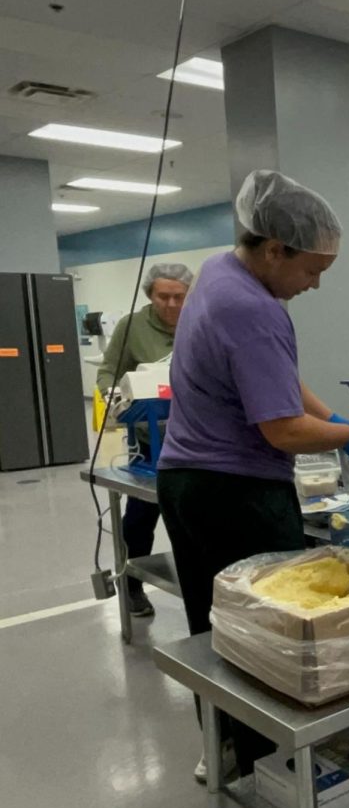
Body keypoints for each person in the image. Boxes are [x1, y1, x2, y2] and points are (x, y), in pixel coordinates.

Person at [156, 170, 349, 779]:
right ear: (275, 249)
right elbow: (281, 429)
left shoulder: (218, 273)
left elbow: (278, 381)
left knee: (216, 622)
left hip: (184, 480)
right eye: (311, 270)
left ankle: (224, 745)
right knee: (271, 630)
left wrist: (331, 414)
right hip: (236, 493)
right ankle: (266, 758)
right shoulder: (253, 309)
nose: (312, 286)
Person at [95, 261, 193, 618]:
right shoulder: (131, 327)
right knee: (142, 513)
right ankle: (132, 584)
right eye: (162, 297)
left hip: (196, 439)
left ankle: (201, 579)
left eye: (179, 297)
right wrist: (112, 395)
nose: (171, 304)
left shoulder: (201, 321)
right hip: (148, 439)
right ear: (149, 295)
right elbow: (109, 371)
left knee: (193, 515)